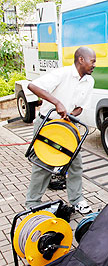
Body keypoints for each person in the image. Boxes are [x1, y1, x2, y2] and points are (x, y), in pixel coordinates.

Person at [25, 46, 96, 214]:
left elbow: (80, 108)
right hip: (48, 126)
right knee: (43, 164)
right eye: (92, 61)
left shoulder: (89, 81)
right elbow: (32, 86)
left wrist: (71, 114)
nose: (94, 65)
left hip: (69, 128)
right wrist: (57, 103)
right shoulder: (62, 74)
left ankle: (77, 200)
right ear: (81, 60)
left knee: (75, 164)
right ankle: (32, 203)